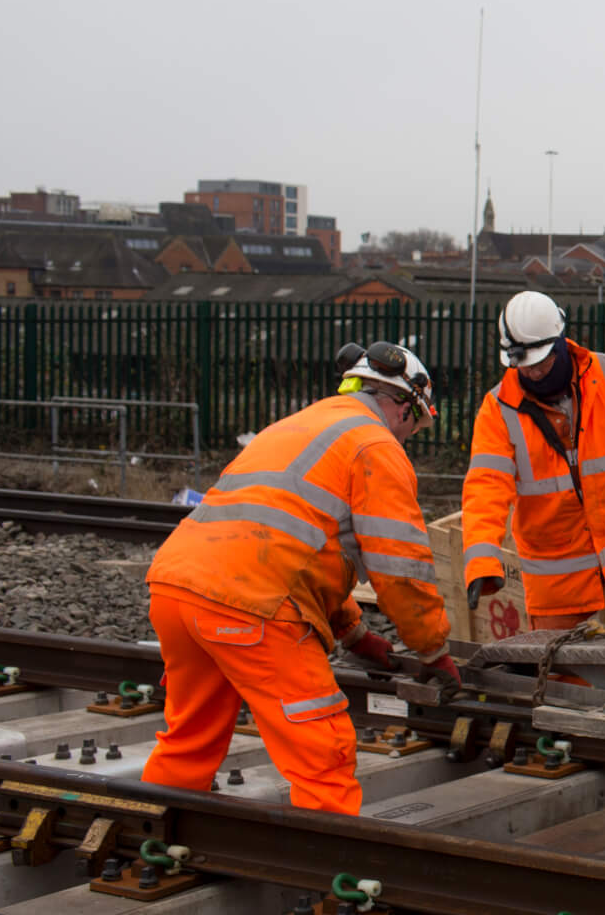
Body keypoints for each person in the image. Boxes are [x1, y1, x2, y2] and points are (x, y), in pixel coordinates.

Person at [143, 341, 457, 814]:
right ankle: (328, 873)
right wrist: (433, 650)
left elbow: (292, 547)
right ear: (403, 403)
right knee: (322, 752)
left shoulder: (296, 427)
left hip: (176, 591)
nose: (409, 435)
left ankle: (159, 833)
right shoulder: (375, 444)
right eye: (416, 423)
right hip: (251, 608)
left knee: (190, 737)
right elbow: (401, 570)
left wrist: (354, 634)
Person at [462, 291, 605, 632]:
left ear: (559, 343)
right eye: (525, 366)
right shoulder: (498, 410)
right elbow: (485, 488)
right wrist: (481, 562)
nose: (534, 374)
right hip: (558, 578)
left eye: (541, 363)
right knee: (560, 679)